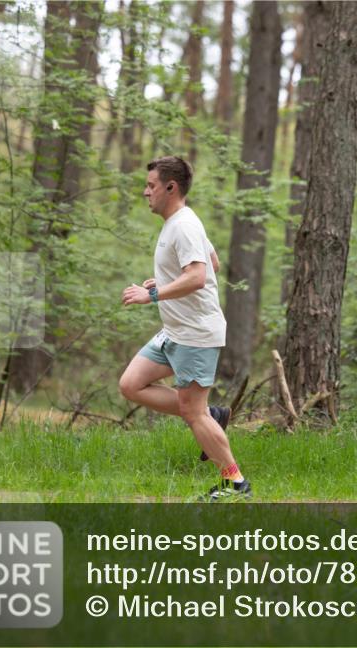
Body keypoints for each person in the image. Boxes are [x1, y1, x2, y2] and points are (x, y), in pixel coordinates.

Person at [118, 156, 250, 501]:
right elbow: (213, 262)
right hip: (174, 331)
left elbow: (199, 275)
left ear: (170, 187)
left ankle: (234, 482)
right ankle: (212, 416)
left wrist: (154, 293)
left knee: (193, 411)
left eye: (151, 186)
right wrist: (165, 278)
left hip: (196, 334)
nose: (146, 192)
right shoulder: (180, 222)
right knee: (131, 384)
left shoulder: (184, 225)